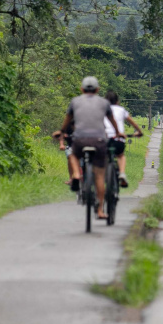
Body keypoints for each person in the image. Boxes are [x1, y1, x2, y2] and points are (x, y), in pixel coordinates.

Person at [60, 76, 124, 220]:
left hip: (80, 139)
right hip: (99, 140)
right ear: (98, 89)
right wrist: (118, 132)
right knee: (100, 176)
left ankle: (76, 174)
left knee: (73, 155)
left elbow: (67, 121)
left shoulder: (75, 102)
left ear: (81, 89)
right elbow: (112, 121)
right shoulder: (104, 103)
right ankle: (100, 210)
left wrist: (62, 131)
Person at [103, 91, 144, 187]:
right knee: (120, 155)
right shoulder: (121, 110)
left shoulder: (102, 110)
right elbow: (132, 122)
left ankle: (103, 173)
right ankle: (121, 173)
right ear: (117, 101)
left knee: (103, 155)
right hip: (118, 139)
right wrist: (139, 132)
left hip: (105, 139)